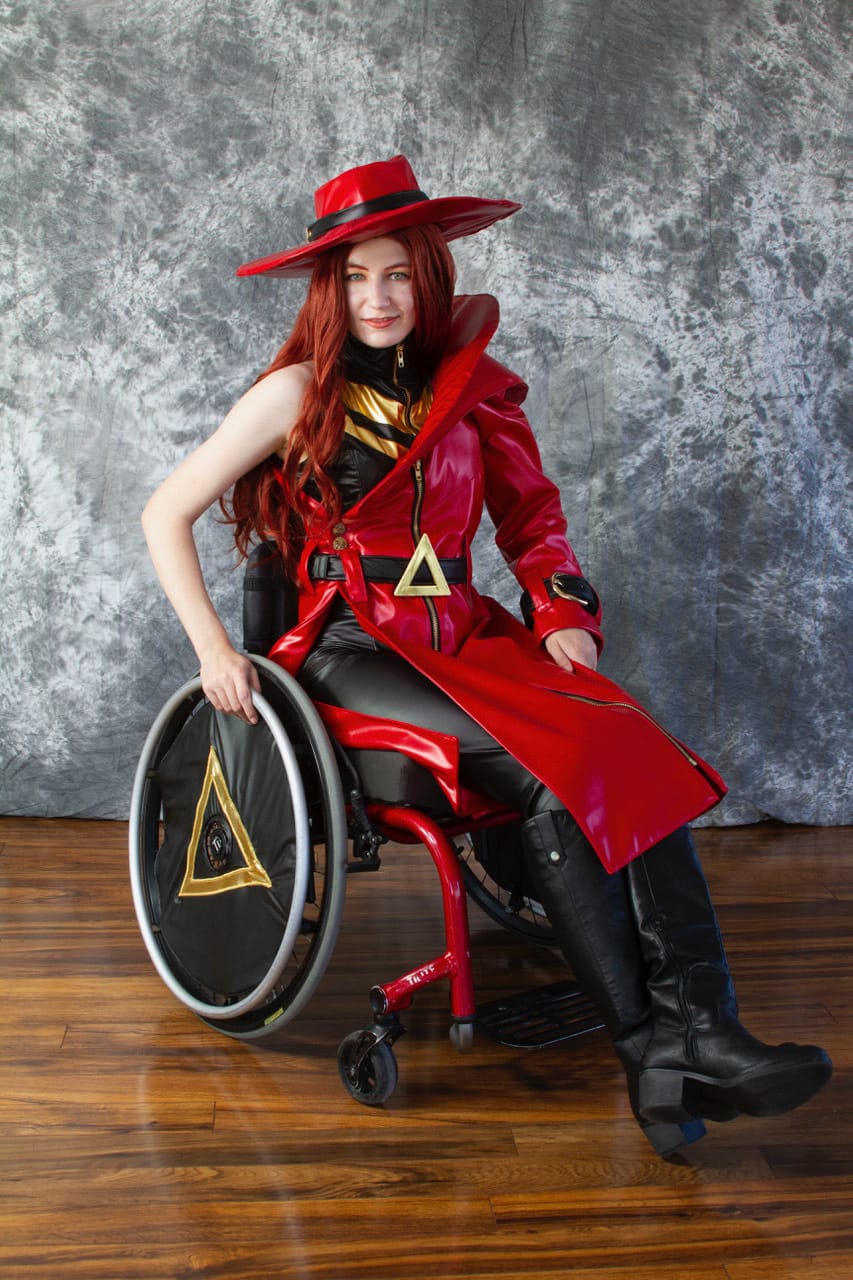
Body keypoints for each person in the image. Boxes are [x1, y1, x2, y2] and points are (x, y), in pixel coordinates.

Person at [142, 155, 831, 1156]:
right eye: (356, 277)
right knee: (554, 765)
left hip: (465, 635)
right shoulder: (295, 393)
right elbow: (163, 512)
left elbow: (532, 520)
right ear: (330, 289)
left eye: (398, 274)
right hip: (350, 649)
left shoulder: (474, 392)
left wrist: (559, 613)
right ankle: (653, 1048)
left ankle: (700, 1028)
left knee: (629, 737)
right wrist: (213, 648)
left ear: (430, 277)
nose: (378, 298)